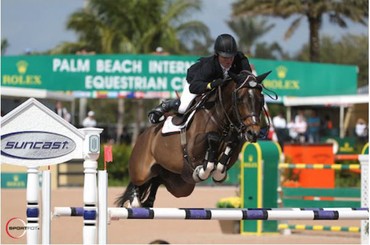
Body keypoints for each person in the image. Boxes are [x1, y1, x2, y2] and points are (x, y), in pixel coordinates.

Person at [148, 33, 252, 124]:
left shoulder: (240, 59)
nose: (229, 61)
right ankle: (168, 104)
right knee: (183, 108)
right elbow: (193, 87)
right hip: (197, 81)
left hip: (220, 85)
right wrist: (210, 85)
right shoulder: (209, 66)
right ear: (217, 55)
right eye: (224, 58)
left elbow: (248, 77)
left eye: (231, 57)